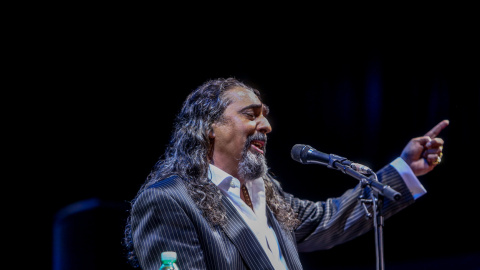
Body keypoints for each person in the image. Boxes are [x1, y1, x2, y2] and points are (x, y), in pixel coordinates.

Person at [124, 78, 448, 270]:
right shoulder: (168, 201)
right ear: (210, 127)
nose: (266, 126)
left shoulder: (266, 193)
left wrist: (404, 169)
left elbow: (329, 219)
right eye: (251, 115)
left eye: (265, 116)